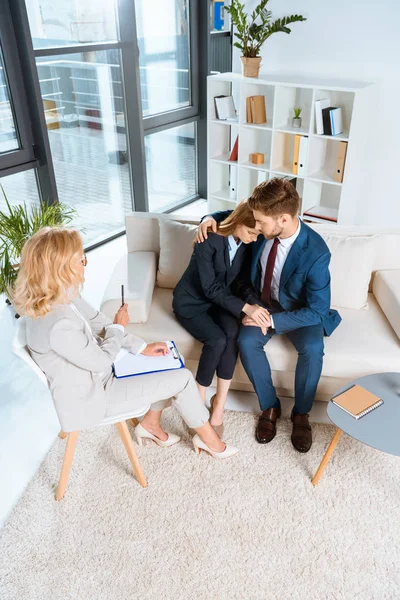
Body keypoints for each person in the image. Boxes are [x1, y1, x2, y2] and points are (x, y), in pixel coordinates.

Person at [12, 226, 238, 460]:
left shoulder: (60, 295)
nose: (84, 264)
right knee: (182, 379)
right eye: (80, 259)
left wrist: (141, 347)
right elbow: (100, 362)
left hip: (99, 376)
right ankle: (210, 440)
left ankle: (151, 425)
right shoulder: (57, 325)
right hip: (95, 395)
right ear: (61, 269)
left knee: (164, 360)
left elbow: (97, 321)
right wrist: (119, 327)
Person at [196, 178, 342, 452]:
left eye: (262, 222)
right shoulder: (265, 228)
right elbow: (234, 215)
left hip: (300, 312)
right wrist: (207, 218)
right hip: (261, 303)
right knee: (247, 341)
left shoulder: (316, 252)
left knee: (312, 346)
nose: (257, 226)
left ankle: (301, 414)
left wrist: (273, 321)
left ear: (283, 219)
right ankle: (270, 407)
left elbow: (318, 310)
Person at [173, 201, 270, 435]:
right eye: (251, 233)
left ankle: (219, 404)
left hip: (221, 302)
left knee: (233, 334)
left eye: (257, 234)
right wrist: (246, 308)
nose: (254, 239)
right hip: (193, 303)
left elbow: (241, 281)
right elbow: (209, 288)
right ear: (237, 223)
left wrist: (255, 305)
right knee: (216, 340)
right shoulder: (208, 240)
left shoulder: (245, 242)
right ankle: (196, 404)